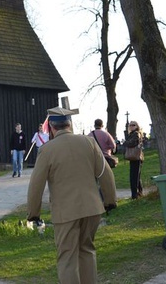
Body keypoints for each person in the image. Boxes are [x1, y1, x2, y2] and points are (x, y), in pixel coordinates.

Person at [27, 109, 117, 284]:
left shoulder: (47, 150)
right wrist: (110, 201)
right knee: (87, 251)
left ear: (51, 127)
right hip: (92, 208)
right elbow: (105, 174)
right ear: (69, 124)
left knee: (67, 256)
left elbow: (36, 185)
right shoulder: (89, 142)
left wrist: (33, 213)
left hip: (65, 212)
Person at [124, 121, 144, 199]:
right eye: (130, 125)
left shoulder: (136, 134)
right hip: (135, 157)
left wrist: (125, 142)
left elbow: (132, 143)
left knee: (134, 176)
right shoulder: (132, 134)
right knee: (136, 176)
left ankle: (134, 195)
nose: (131, 126)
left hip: (136, 157)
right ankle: (139, 192)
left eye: (133, 125)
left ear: (137, 126)